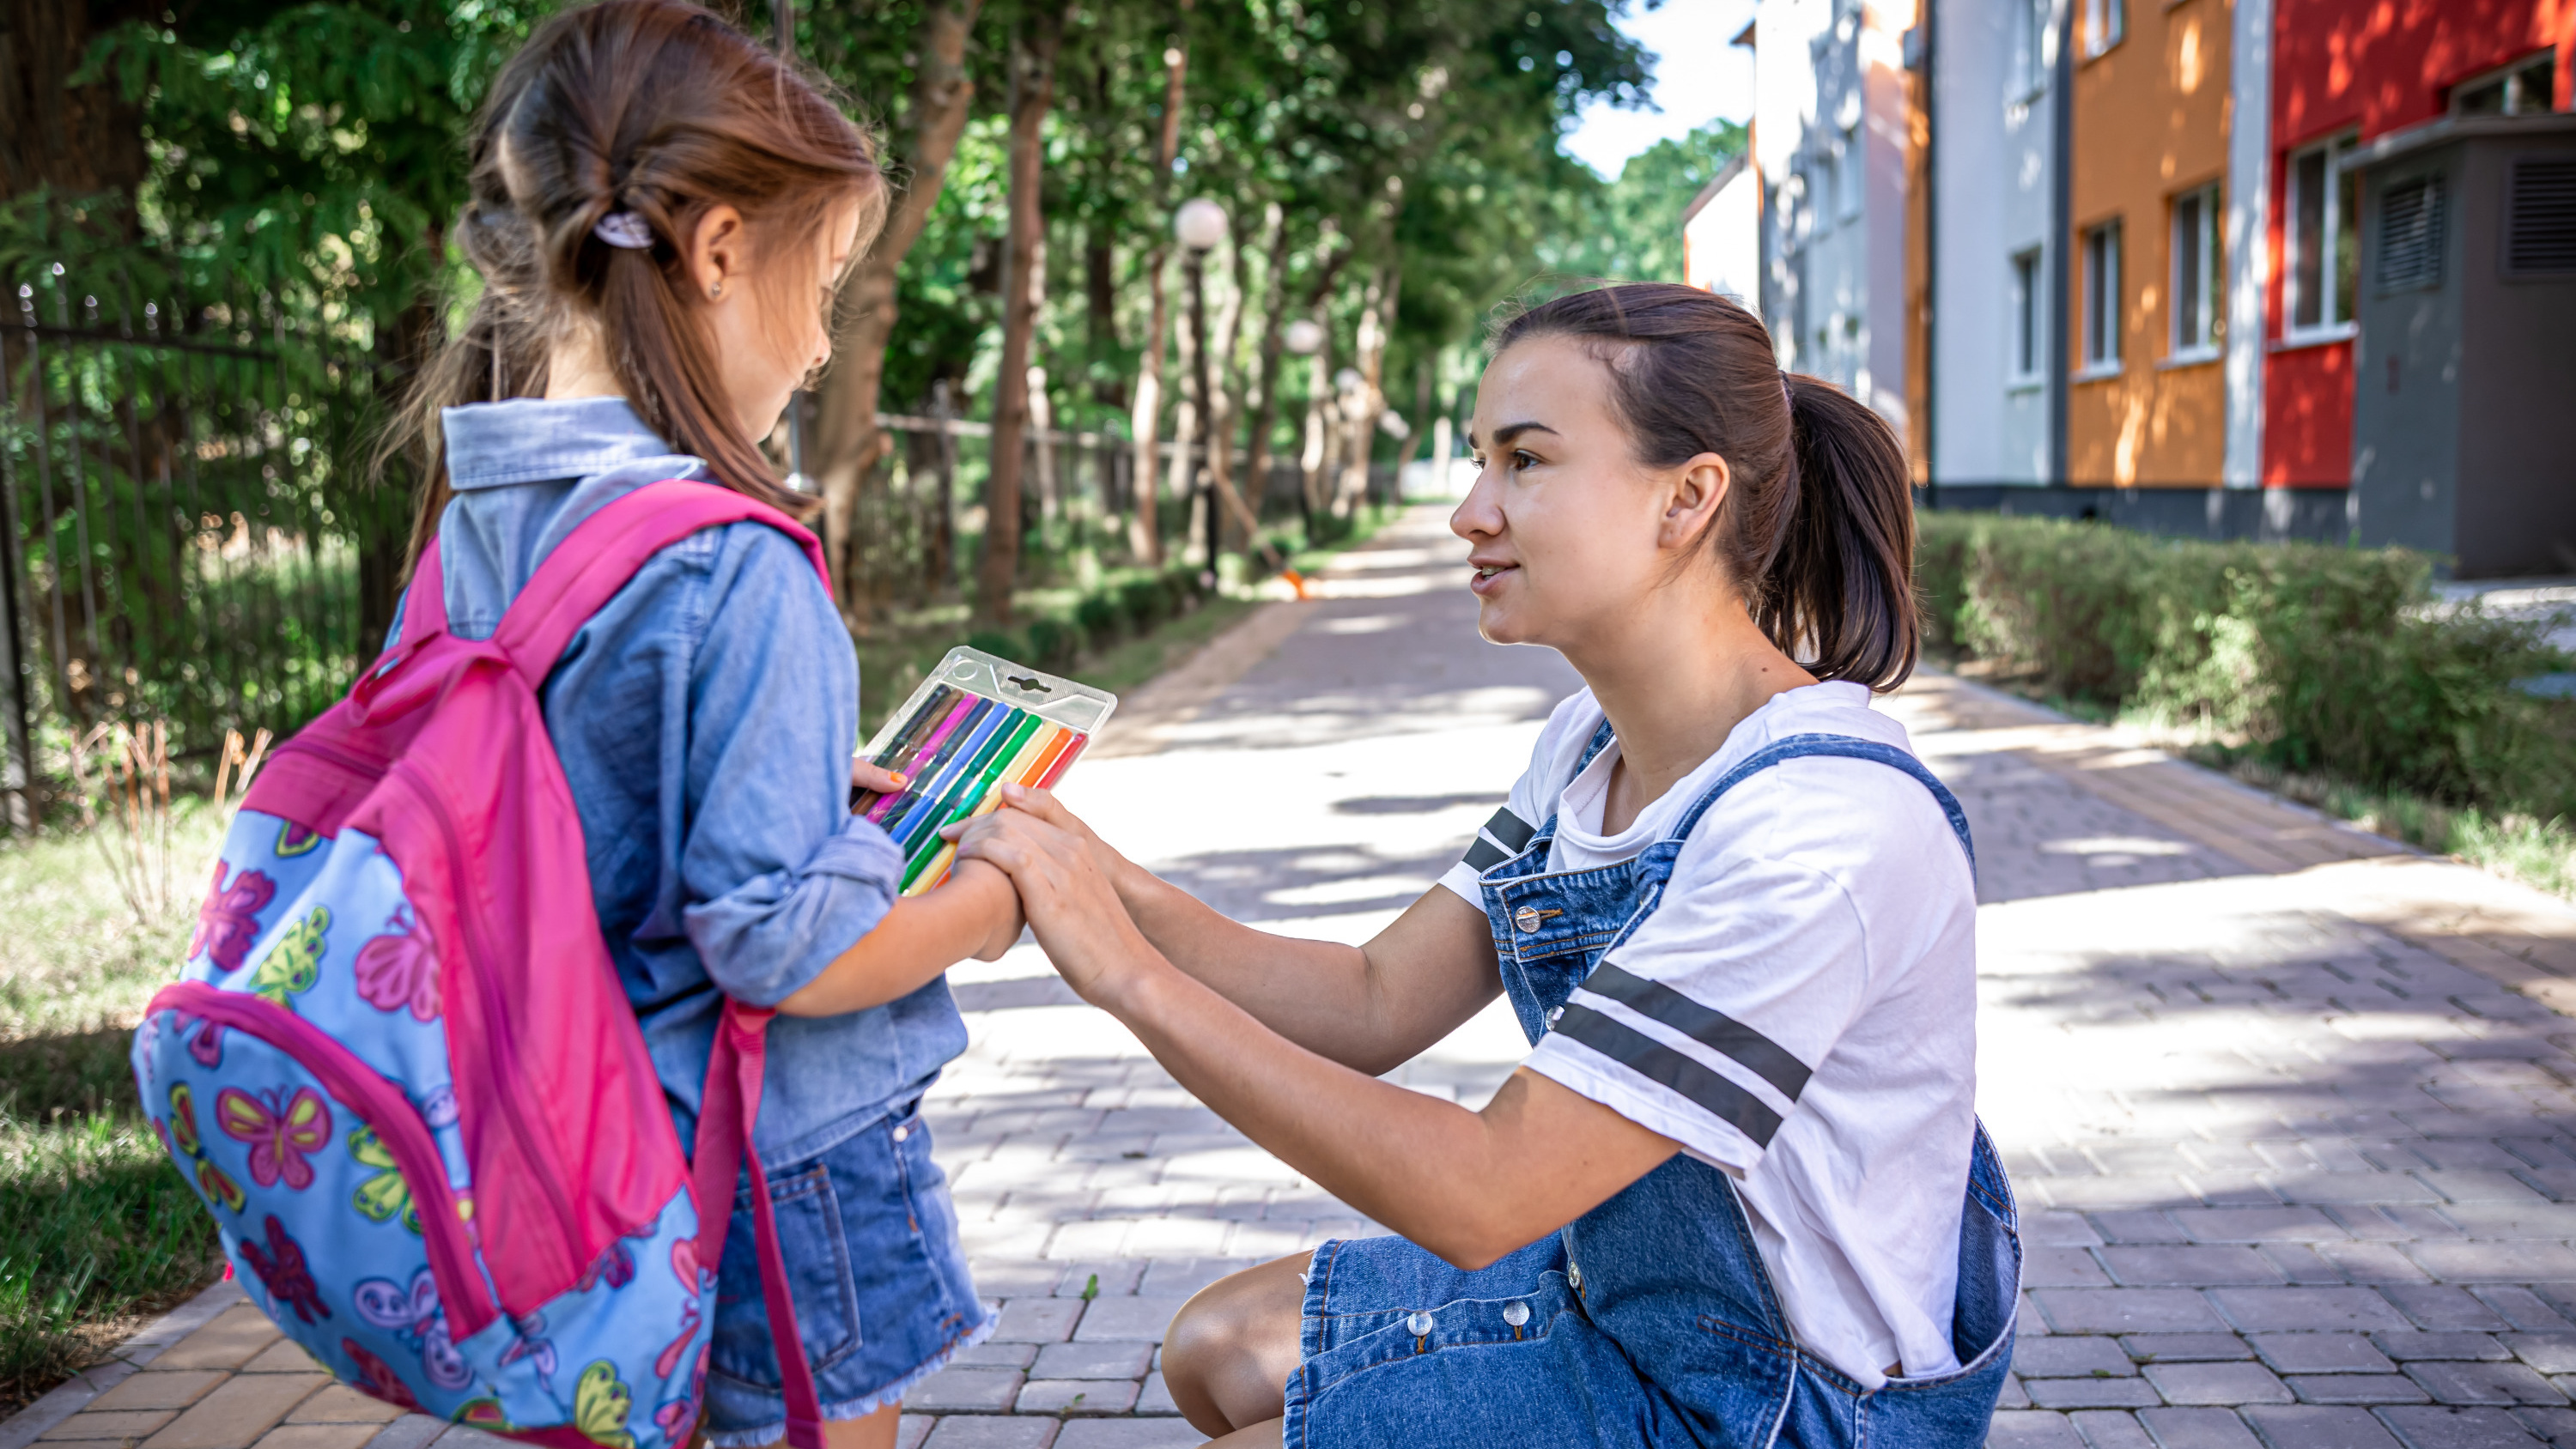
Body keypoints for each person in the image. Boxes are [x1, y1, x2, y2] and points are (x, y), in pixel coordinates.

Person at [954, 283, 2018, 1447]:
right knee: (1215, 1350)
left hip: (1780, 1407)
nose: (1469, 510)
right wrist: (1095, 877)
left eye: (1523, 461)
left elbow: (1483, 1194)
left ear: (1688, 498)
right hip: (1620, 1306)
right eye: (1479, 458)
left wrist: (1126, 976)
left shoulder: (1821, 830)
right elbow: (1372, 1001)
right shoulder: (1590, 747)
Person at [381, 5, 1018, 1446]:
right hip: (775, 1174)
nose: (818, 337)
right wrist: (991, 900)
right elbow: (787, 953)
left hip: (551, 1151)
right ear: (724, 249)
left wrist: (801, 790)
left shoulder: (462, 529)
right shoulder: (734, 561)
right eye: (827, 278)